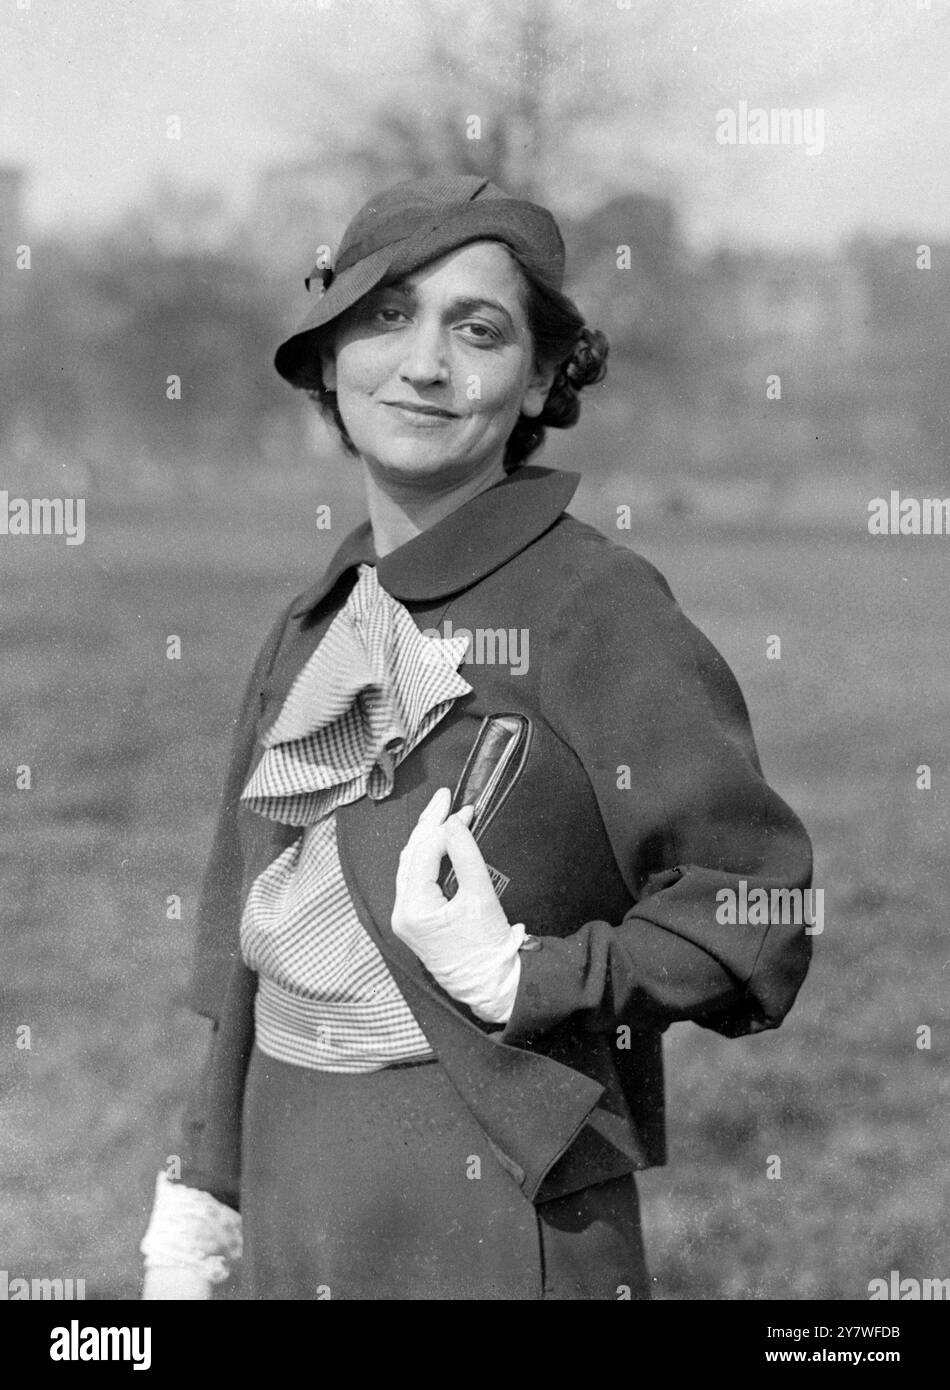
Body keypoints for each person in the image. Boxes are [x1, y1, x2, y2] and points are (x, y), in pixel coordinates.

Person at [140, 173, 813, 1301]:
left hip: (497, 1215)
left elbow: (758, 909)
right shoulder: (314, 620)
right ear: (329, 356)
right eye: (386, 316)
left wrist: (527, 979)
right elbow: (241, 955)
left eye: (478, 329)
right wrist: (200, 1199)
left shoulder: (595, 602)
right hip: (291, 1192)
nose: (424, 363)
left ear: (540, 375)